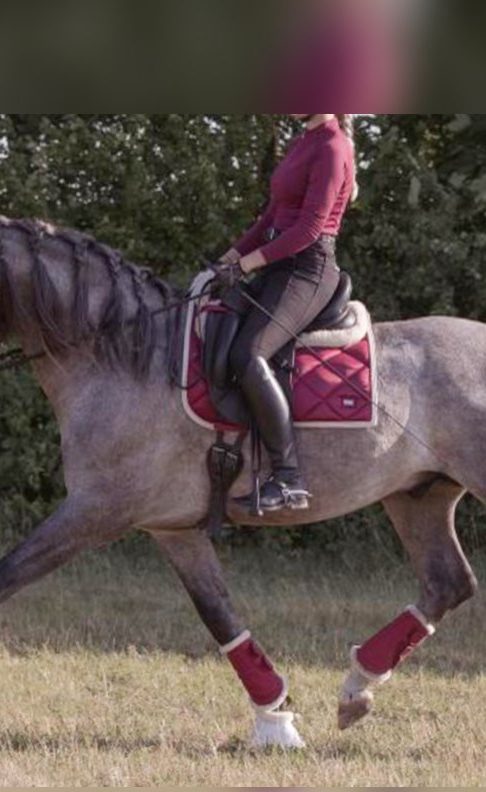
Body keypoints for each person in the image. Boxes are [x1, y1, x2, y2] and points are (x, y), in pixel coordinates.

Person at [212, 113, 358, 513]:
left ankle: (288, 477)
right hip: (279, 265)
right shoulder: (304, 141)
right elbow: (271, 220)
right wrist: (224, 261)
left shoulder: (332, 147)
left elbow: (309, 230)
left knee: (250, 352)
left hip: (308, 270)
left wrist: (246, 265)